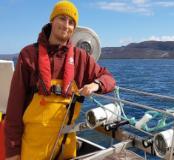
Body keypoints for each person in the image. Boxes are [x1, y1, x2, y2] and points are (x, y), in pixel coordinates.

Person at [4, 1, 116, 159]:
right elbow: (14, 107)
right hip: (33, 148)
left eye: (71, 22)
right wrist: (12, 152)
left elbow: (109, 78)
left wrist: (95, 85)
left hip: (66, 148)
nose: (66, 25)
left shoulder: (80, 57)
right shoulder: (28, 55)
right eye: (62, 18)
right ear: (52, 20)